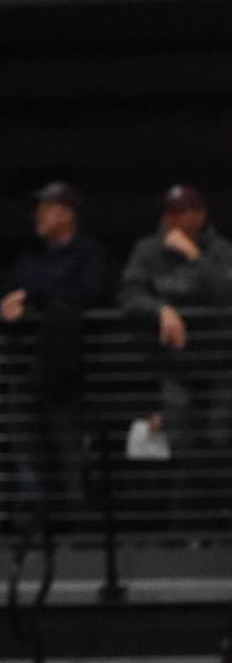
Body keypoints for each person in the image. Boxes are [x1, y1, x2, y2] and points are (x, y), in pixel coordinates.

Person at [119, 185, 232, 528]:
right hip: (175, 367)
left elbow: (226, 294)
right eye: (168, 213)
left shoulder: (221, 250)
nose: (172, 220)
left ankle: (207, 524)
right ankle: (194, 527)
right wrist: (161, 309)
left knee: (219, 441)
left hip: (221, 365)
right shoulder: (149, 250)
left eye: (181, 213)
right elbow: (128, 294)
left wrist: (195, 257)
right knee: (183, 446)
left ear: (199, 215)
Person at [0, 181, 108, 516]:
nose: (38, 215)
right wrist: (8, 306)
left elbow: (89, 294)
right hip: (25, 371)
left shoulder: (88, 254)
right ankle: (28, 538)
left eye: (45, 208)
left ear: (66, 213)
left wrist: (34, 297)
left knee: (71, 456)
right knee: (27, 459)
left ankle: (78, 534)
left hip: (67, 376)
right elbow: (14, 292)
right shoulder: (31, 256)